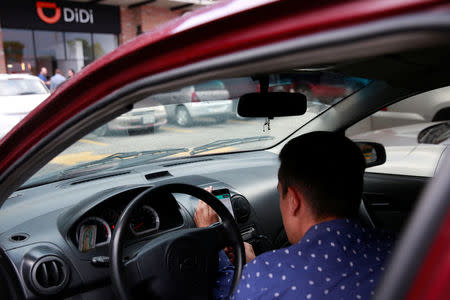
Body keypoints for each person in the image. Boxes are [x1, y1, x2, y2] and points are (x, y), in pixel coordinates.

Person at [194, 131, 394, 300]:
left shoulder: (266, 277)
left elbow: (227, 294)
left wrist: (210, 237)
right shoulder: (402, 247)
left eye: (281, 193)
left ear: (294, 200)